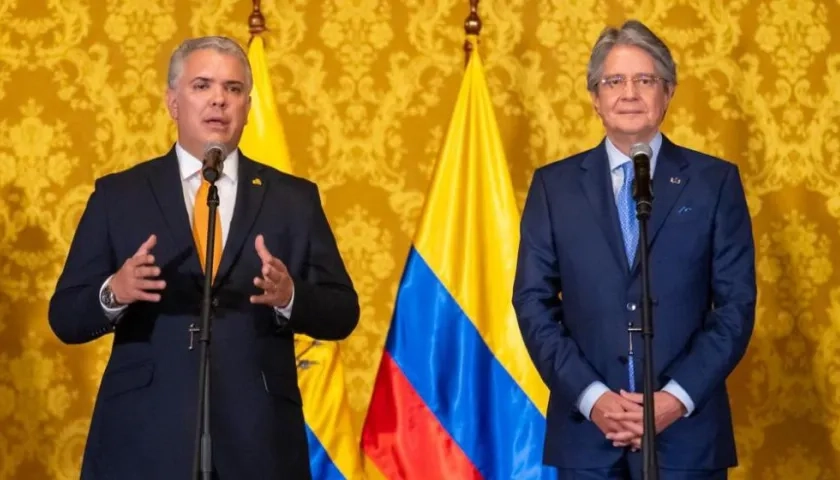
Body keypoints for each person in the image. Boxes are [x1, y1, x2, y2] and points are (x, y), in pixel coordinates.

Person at [48, 36, 359, 480]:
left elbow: (343, 311)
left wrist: (292, 296)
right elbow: (65, 316)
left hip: (258, 440)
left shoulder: (294, 200)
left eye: (233, 89)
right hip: (143, 437)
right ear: (173, 102)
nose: (219, 99)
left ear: (248, 107)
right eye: (202, 85)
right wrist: (114, 292)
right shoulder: (119, 195)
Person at [512, 20, 756, 480]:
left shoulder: (714, 183)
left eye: (645, 80)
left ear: (668, 93)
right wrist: (593, 398)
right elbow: (532, 302)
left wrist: (675, 398)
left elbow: (736, 305)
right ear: (595, 98)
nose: (629, 93)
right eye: (614, 81)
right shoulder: (554, 187)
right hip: (586, 437)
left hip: (687, 438)